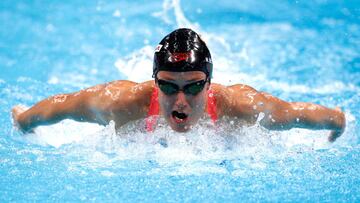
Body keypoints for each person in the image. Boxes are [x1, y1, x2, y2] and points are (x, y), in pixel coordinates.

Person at [11, 28, 345, 142]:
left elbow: (296, 113)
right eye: (169, 87)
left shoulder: (240, 106)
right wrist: (26, 119)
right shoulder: (122, 102)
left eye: (194, 87)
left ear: (210, 84)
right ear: (155, 83)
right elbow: (63, 105)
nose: (181, 100)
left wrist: (337, 121)